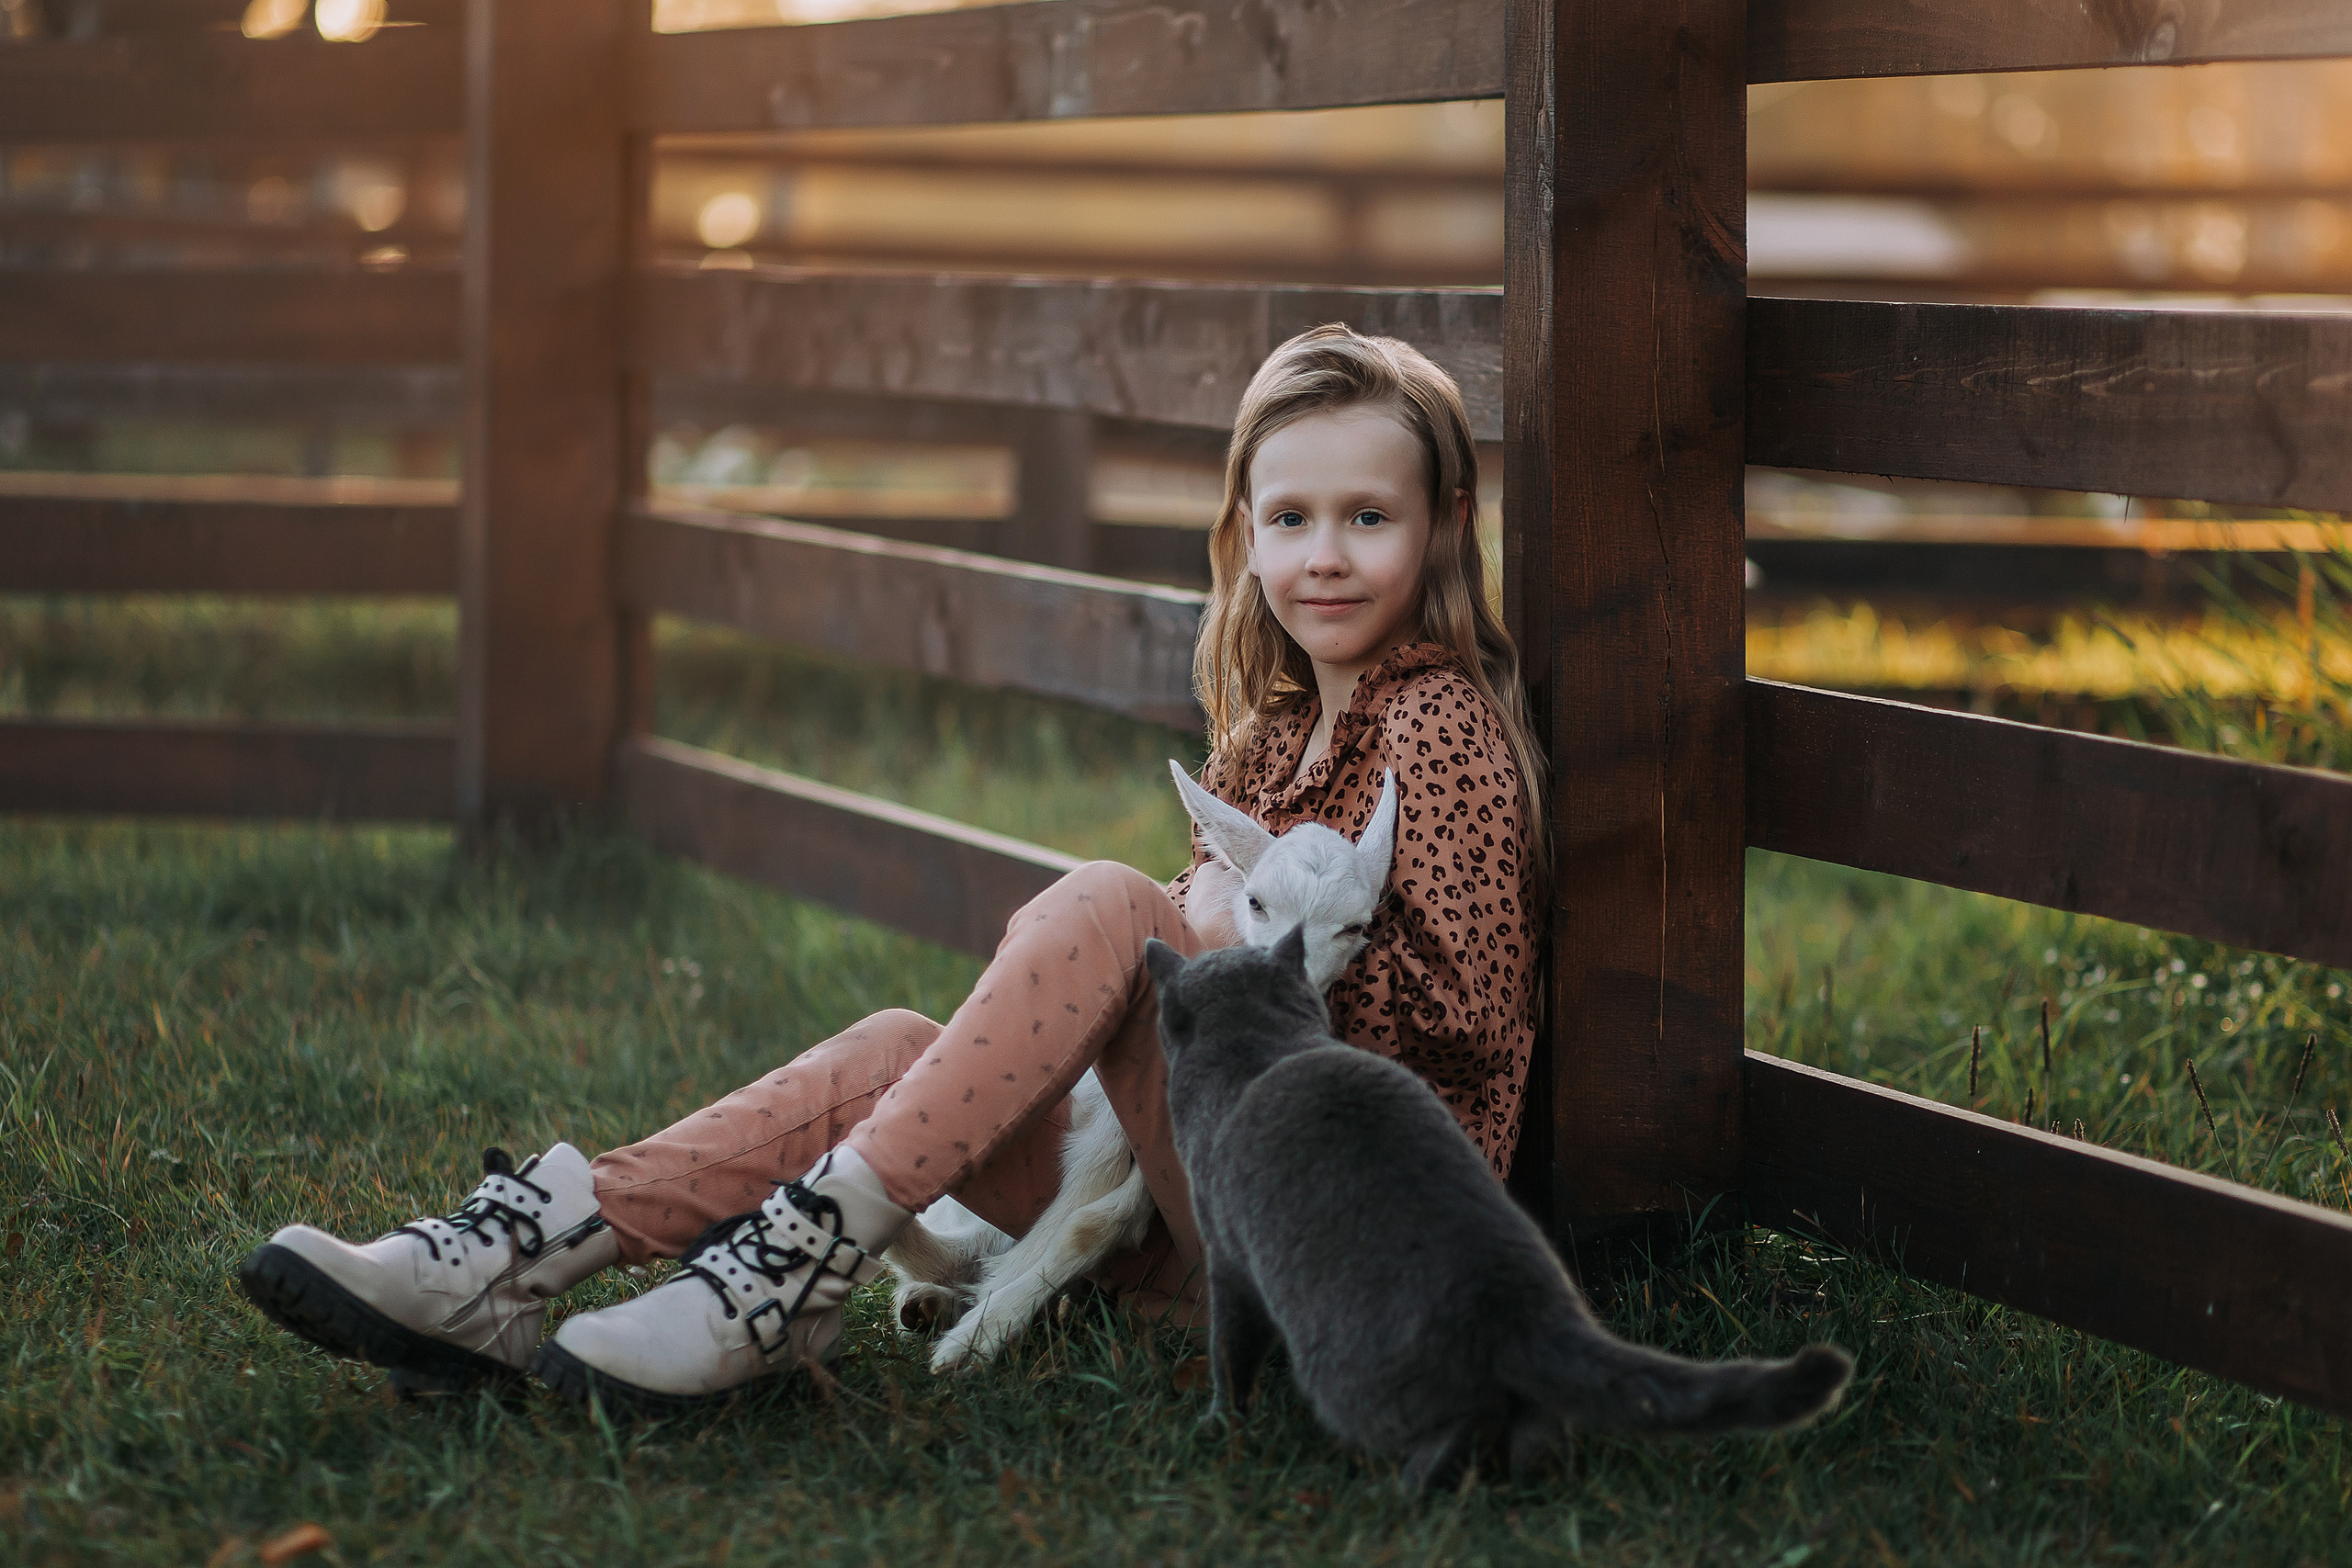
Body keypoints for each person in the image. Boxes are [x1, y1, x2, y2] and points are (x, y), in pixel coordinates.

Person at [238, 324, 1547, 1416]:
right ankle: (511, 1261)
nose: (1326, 553)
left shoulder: (1435, 731)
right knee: (889, 1046)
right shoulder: (1265, 740)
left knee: (1109, 903)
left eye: (1368, 516)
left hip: (1328, 1247)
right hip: (1177, 1210)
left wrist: (1209, 954)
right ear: (1245, 536)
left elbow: (1469, 1039)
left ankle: (784, 1277)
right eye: (1294, 516)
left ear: (1440, 526)